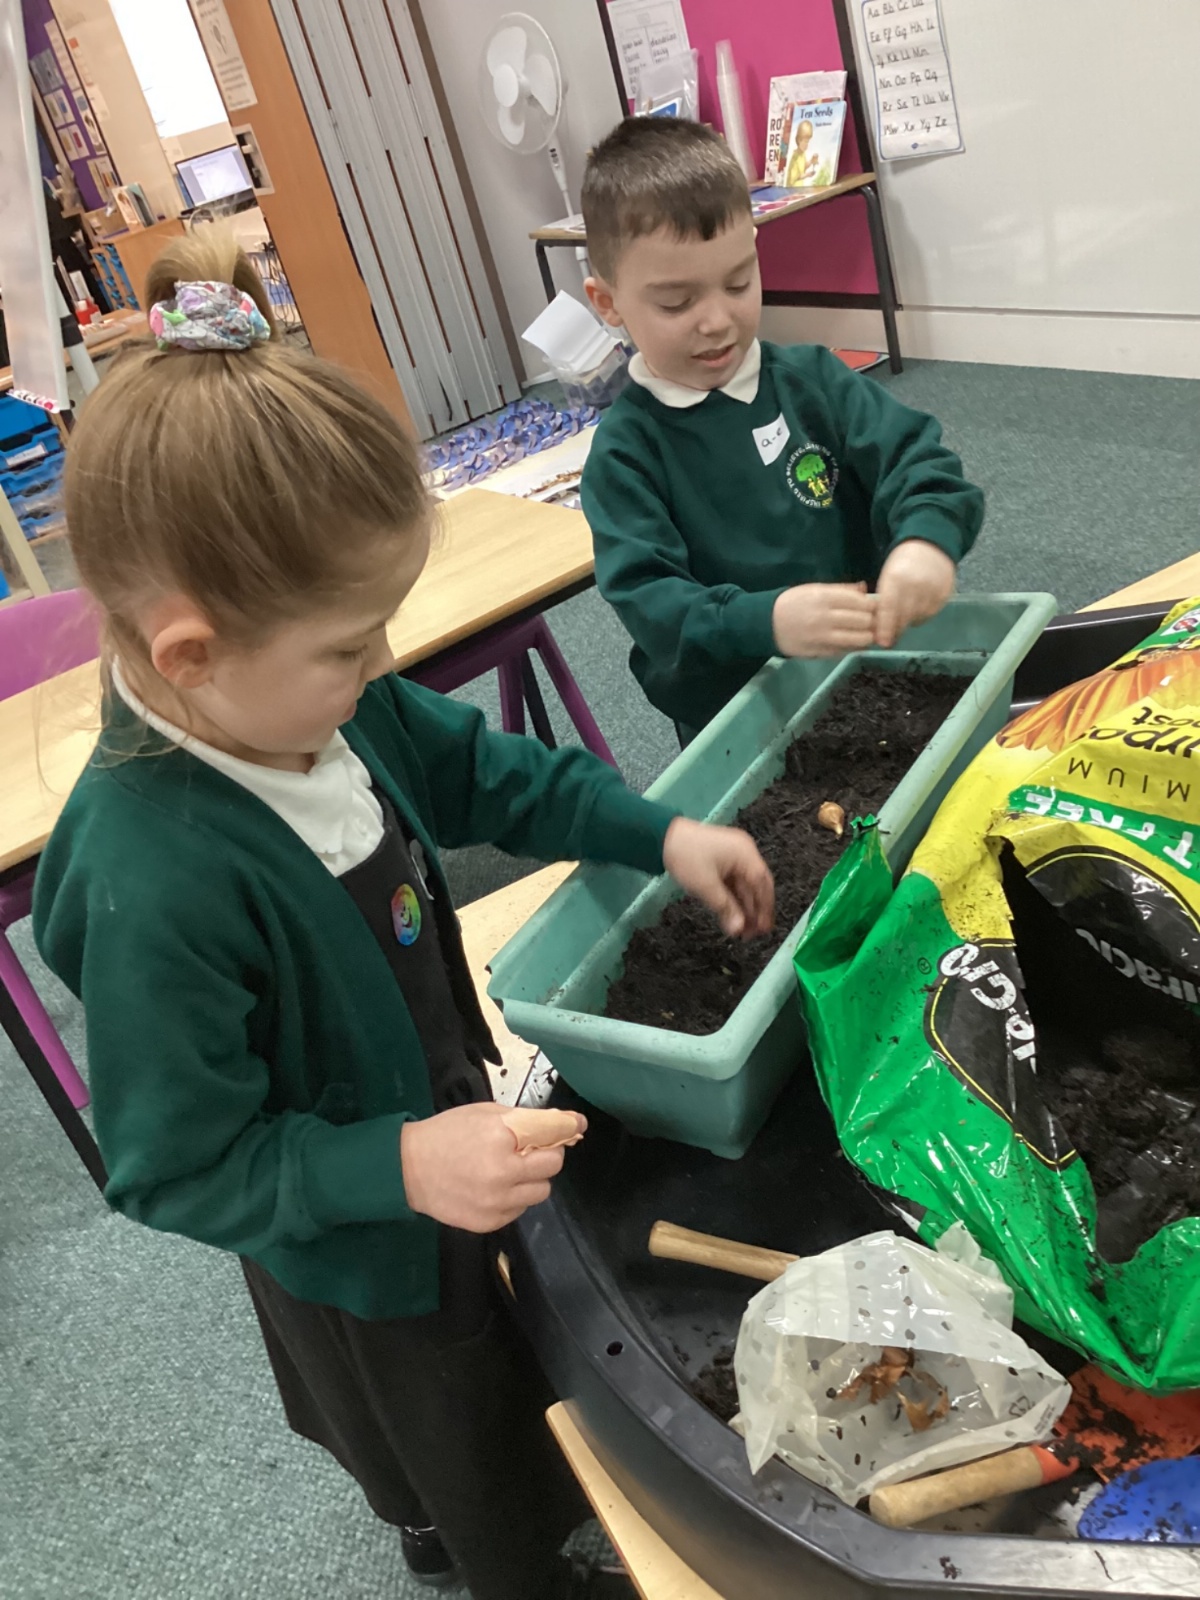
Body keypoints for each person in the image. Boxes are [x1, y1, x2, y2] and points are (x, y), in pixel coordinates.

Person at [33, 234, 775, 1600]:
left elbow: (492, 773)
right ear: (190, 651)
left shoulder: (316, 704)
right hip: (356, 1231)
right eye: (345, 647)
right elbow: (172, 1167)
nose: (382, 667)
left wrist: (658, 829)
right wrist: (402, 1165)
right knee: (450, 1432)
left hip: (439, 1115)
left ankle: (486, 1495)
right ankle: (486, 1553)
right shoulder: (147, 879)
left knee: (509, 1339)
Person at [580, 117, 986, 739]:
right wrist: (764, 621)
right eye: (677, 302)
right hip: (735, 715)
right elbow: (654, 607)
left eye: (738, 282)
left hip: (868, 677)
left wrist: (925, 542)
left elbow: (919, 464)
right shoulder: (625, 455)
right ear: (608, 303)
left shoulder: (814, 381)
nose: (717, 320)